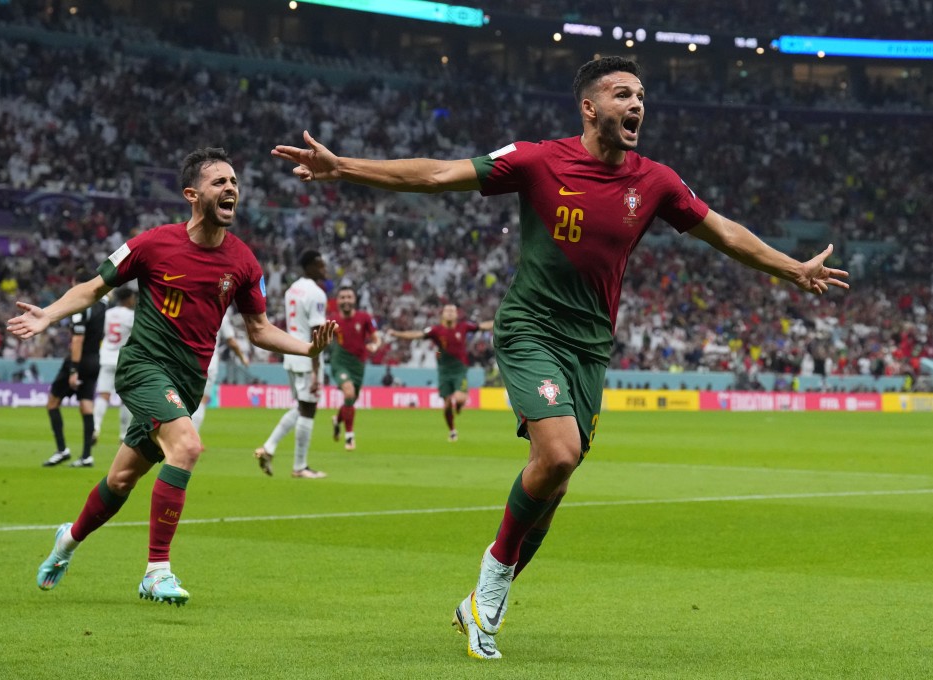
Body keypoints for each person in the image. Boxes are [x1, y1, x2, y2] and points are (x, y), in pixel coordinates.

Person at [271, 56, 849, 659]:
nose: (638, 105)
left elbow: (724, 232)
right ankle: (491, 587)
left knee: (557, 479)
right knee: (559, 452)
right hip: (529, 328)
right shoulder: (538, 159)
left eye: (642, 95)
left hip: (591, 348)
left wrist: (793, 269)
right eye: (623, 93)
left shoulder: (655, 181)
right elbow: (439, 174)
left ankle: (478, 604)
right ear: (589, 107)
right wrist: (345, 167)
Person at [8, 147, 337, 607]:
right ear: (191, 194)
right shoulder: (153, 243)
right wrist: (49, 315)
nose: (231, 189)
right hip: (143, 368)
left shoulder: (243, 262)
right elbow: (93, 287)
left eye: (234, 182)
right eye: (219, 182)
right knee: (187, 446)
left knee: (121, 480)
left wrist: (308, 347)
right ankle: (156, 571)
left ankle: (68, 538)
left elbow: (259, 331)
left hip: (187, 384)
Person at [254, 250, 329, 478]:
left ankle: (268, 448)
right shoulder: (316, 293)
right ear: (308, 266)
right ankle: (300, 466)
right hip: (307, 356)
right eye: (319, 265)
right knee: (308, 409)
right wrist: (316, 370)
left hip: (291, 353)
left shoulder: (292, 290)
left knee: (301, 406)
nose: (323, 269)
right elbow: (316, 332)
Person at [387, 304, 494, 442]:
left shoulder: (464, 327)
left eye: (452, 311)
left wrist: (499, 320)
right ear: (442, 314)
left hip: (460, 369)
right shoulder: (436, 330)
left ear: (457, 314)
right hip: (444, 370)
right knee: (447, 404)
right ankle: (452, 430)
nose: (450, 313)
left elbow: (482, 326)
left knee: (460, 398)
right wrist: (397, 334)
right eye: (447, 311)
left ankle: (459, 406)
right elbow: (417, 334)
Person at [42, 270, 107, 468]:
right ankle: (86, 456)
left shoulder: (81, 307)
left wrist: (73, 370)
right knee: (86, 405)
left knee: (53, 403)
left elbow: (77, 339)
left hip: (78, 361)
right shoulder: (103, 305)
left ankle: (62, 450)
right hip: (96, 359)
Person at [327, 285, 381, 451]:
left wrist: (375, 346)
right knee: (349, 393)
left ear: (355, 299)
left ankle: (337, 420)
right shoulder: (332, 321)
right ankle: (349, 437)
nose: (346, 300)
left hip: (358, 364)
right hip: (340, 361)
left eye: (349, 297)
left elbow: (376, 338)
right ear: (338, 301)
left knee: (350, 400)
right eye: (342, 297)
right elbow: (326, 341)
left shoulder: (364, 317)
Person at [192, 307, 249, 433]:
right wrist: (242, 357)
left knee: (185, 399)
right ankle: (192, 436)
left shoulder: (193, 307)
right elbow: (231, 341)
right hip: (209, 362)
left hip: (189, 360)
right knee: (202, 400)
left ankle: (181, 436)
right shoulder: (220, 313)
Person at [93, 286, 138, 445]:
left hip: (106, 357)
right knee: (126, 399)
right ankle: (123, 434)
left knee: (103, 395)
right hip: (124, 360)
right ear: (128, 299)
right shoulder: (131, 316)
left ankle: (95, 427)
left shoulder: (107, 314)